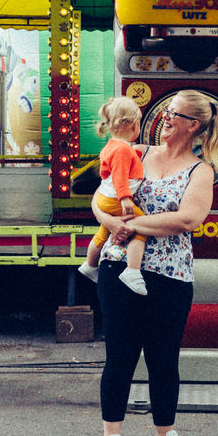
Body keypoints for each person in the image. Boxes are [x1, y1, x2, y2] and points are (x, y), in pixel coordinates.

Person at [89, 91, 218, 436]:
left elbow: (187, 219)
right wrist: (109, 221)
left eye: (172, 113)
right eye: (166, 110)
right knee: (120, 356)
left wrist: (131, 223)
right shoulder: (135, 152)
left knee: (164, 359)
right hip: (119, 268)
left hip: (171, 275)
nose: (163, 116)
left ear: (192, 125)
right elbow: (99, 198)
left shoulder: (200, 171)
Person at [77, 96, 150, 297]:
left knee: (103, 233)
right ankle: (132, 271)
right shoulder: (123, 150)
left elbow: (109, 172)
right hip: (115, 199)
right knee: (141, 227)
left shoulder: (112, 146)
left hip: (105, 197)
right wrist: (124, 197)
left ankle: (90, 265)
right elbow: (119, 176)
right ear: (133, 125)